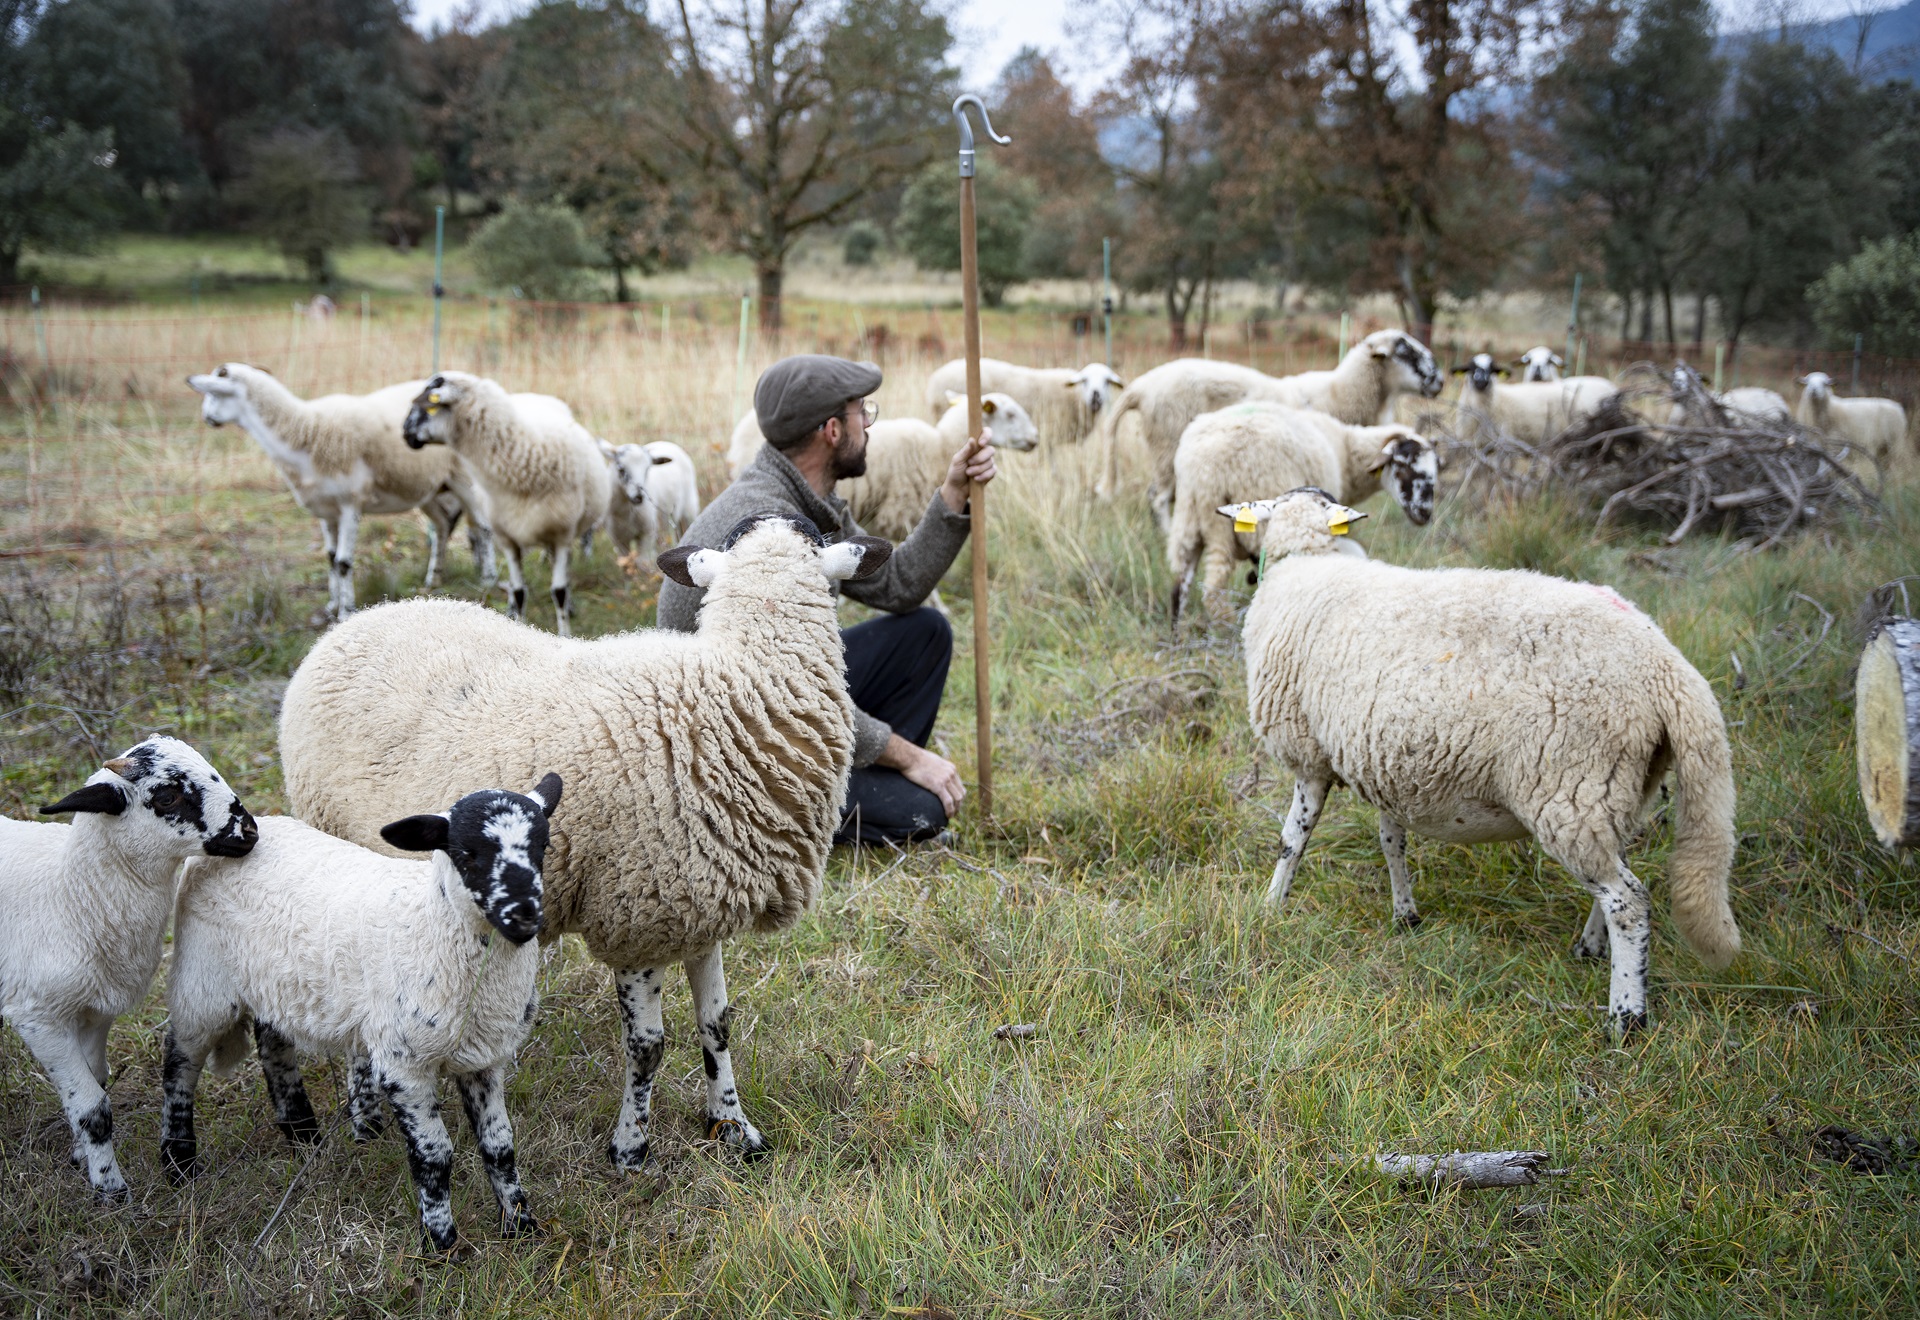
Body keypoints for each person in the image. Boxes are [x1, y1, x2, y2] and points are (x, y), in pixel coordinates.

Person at [656, 354, 997, 844]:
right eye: (865, 413)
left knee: (924, 633)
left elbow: (898, 584)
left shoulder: (807, 500)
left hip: (778, 701)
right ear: (833, 431)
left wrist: (953, 491)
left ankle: (848, 777)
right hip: (731, 745)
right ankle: (800, 809)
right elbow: (787, 695)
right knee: (923, 811)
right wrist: (910, 756)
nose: (870, 426)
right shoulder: (768, 532)